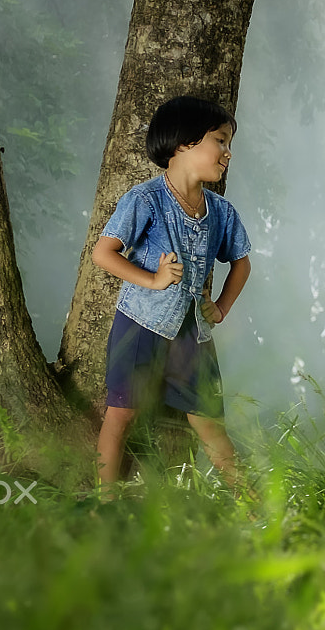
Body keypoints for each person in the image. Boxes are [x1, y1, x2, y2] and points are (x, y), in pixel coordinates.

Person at [91, 95, 252, 492]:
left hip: (192, 332)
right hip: (140, 325)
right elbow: (103, 253)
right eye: (220, 140)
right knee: (121, 415)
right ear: (183, 143)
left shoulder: (222, 212)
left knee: (209, 422)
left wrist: (222, 307)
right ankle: (102, 503)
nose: (227, 153)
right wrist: (153, 280)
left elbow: (242, 262)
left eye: (229, 143)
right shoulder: (145, 199)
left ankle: (252, 507)